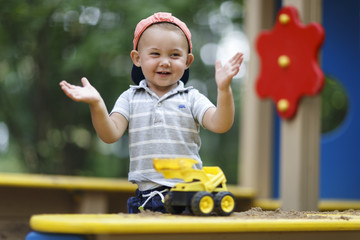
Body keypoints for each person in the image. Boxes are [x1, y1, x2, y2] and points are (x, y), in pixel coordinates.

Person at [60, 12, 243, 213]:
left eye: (174, 55)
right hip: (147, 197)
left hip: (188, 194)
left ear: (188, 61)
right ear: (137, 58)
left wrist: (224, 90)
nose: (165, 62)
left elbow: (221, 124)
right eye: (155, 54)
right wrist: (96, 104)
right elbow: (109, 134)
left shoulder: (191, 98)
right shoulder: (130, 98)